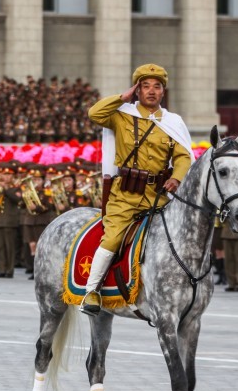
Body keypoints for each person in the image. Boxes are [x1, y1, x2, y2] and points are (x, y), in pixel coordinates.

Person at [81, 64, 193, 315]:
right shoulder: (121, 115)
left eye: (157, 86)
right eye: (145, 86)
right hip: (126, 195)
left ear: (163, 91)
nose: (151, 91)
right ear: (137, 90)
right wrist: (121, 98)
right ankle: (91, 291)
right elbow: (94, 114)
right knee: (112, 238)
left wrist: (176, 177)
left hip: (159, 197)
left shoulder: (173, 122)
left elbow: (184, 156)